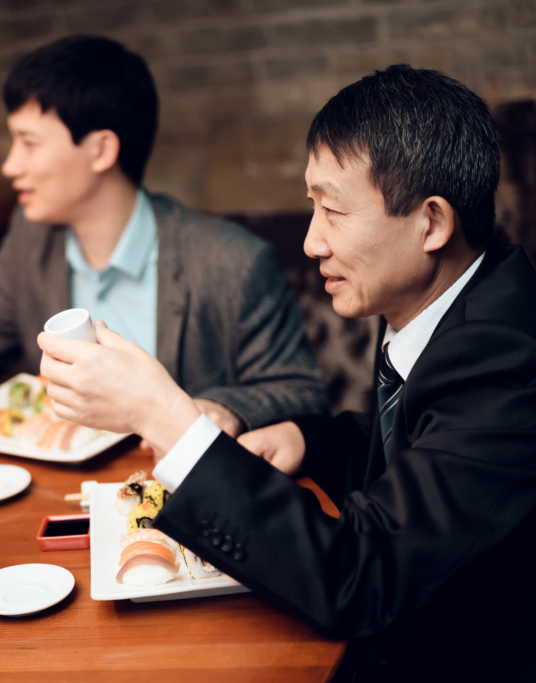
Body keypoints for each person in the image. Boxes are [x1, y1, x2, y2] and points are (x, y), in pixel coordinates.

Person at [37, 65, 536, 680]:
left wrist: (161, 414)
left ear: (431, 223)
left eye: (333, 211)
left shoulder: (505, 359)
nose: (310, 242)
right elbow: (418, 448)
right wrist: (308, 441)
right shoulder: (451, 302)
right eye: (312, 207)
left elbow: (362, 579)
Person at [0, 35, 326, 436]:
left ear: (101, 150)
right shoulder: (32, 236)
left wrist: (220, 409)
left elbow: (301, 392)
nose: (10, 166)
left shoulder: (232, 262)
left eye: (29, 143)